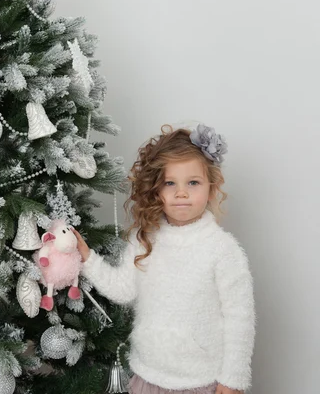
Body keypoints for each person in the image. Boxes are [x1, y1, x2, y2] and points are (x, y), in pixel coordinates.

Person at [73, 125, 255, 394]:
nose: (181, 193)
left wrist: (232, 380)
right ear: (156, 189)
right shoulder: (144, 238)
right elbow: (123, 290)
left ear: (211, 187)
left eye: (193, 183)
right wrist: (87, 258)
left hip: (202, 382)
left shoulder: (223, 250)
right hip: (148, 377)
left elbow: (240, 319)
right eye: (170, 183)